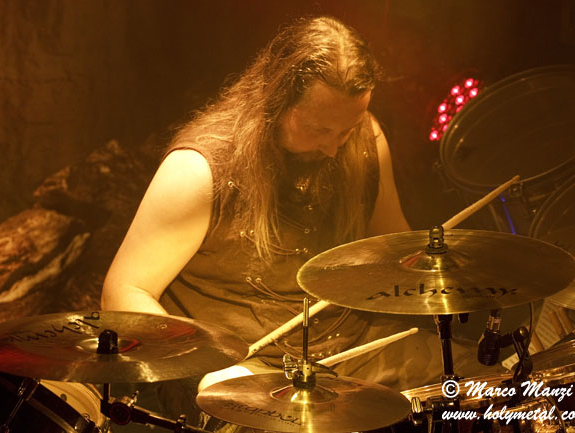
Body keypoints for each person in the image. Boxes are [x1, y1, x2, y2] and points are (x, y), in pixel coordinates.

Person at [101, 16, 487, 430]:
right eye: (319, 128)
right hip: (246, 363)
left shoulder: (366, 140)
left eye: (346, 130)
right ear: (277, 100)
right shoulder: (199, 170)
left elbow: (392, 252)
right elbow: (124, 291)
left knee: (492, 385)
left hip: (355, 346)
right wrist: (205, 364)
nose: (333, 147)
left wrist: (465, 277)